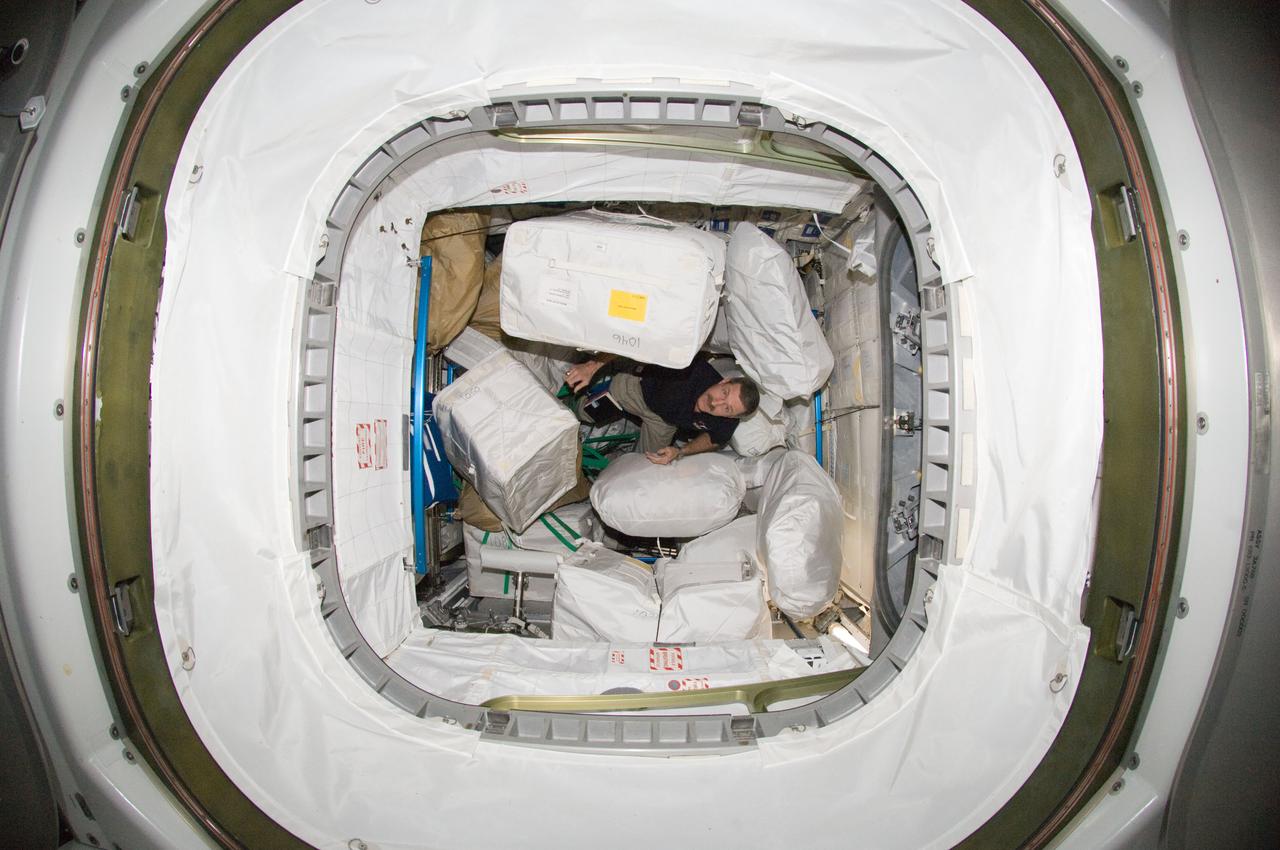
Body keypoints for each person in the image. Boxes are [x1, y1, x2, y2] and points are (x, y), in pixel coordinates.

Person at [566, 354, 760, 464]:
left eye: (727, 409)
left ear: (732, 416)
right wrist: (596, 365)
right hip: (638, 389)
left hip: (664, 422)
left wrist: (681, 451)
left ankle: (613, 465)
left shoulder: (726, 421)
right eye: (724, 393)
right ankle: (568, 404)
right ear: (724, 381)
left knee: (648, 463)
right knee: (587, 412)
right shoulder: (692, 368)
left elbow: (714, 440)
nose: (715, 403)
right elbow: (646, 344)